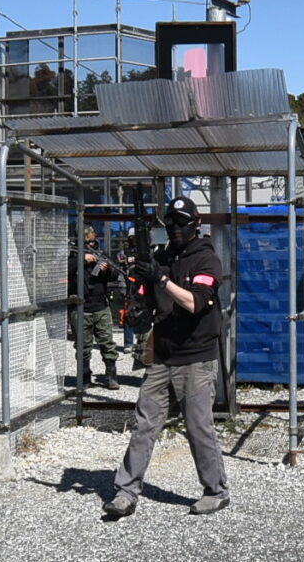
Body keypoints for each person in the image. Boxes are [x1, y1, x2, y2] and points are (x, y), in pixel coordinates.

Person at [106, 196, 230, 518]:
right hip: (163, 354)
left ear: (196, 225)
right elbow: (145, 301)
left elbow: (195, 303)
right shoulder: (160, 257)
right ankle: (126, 491)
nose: (175, 229)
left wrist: (161, 279)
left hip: (196, 356)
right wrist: (138, 300)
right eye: (171, 223)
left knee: (198, 426)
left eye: (182, 223)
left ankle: (216, 491)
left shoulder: (206, 258)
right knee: (144, 424)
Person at [79, 227, 125, 388]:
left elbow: (115, 273)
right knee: (83, 346)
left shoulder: (102, 254)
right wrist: (83, 259)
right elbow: (66, 268)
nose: (91, 244)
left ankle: (111, 375)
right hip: (82, 307)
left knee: (107, 343)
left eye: (92, 240)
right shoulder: (74, 254)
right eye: (87, 241)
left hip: (100, 306)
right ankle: (84, 376)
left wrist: (107, 269)